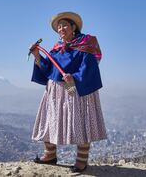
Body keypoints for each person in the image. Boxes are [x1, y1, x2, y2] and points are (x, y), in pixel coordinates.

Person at [29, 11, 107, 173]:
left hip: (77, 91)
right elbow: (49, 69)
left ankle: (81, 161)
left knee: (81, 122)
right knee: (49, 121)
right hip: (55, 92)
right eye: (59, 26)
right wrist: (37, 56)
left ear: (73, 27)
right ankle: (50, 155)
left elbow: (90, 67)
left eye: (64, 25)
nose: (61, 28)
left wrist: (75, 78)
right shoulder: (57, 49)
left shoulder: (86, 45)